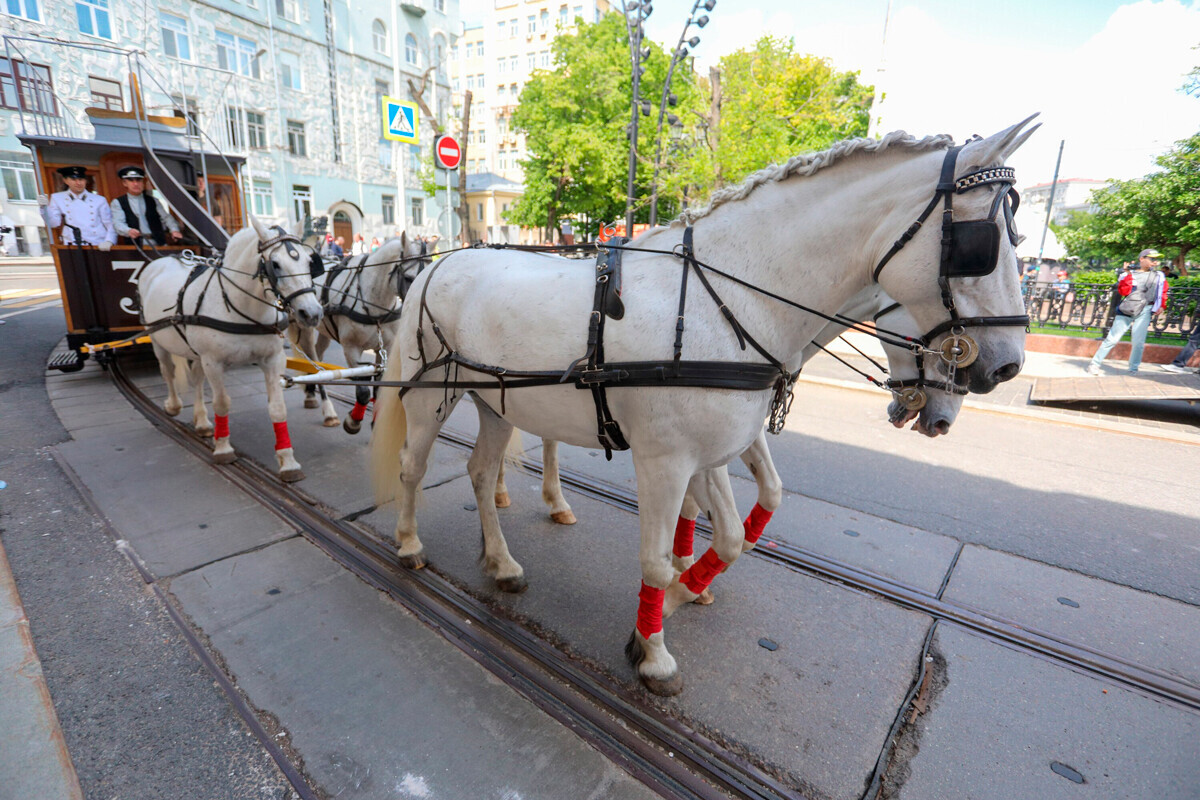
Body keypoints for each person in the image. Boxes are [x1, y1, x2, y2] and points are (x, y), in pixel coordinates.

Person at [1087, 249, 1169, 375]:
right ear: (1142, 259)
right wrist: (1127, 274)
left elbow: (1162, 291)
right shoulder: (1129, 274)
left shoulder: (1159, 276)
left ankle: (1133, 369)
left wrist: (1162, 305)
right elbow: (1123, 292)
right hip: (1128, 308)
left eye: (1156, 259)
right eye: (1152, 259)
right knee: (1112, 339)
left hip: (1146, 309)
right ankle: (1095, 364)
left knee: (1138, 342)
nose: (1155, 262)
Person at [38, 165, 116, 249]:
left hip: (97, 243)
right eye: (74, 179)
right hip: (72, 244)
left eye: (81, 179)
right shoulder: (57, 198)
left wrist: (109, 241)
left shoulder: (99, 200)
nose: (78, 183)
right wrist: (44, 208)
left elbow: (110, 223)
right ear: (65, 180)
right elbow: (54, 223)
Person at [110, 166, 183, 246]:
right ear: (124, 183)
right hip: (135, 246)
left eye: (138, 180)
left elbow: (166, 217)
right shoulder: (118, 202)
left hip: (158, 243)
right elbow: (118, 223)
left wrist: (174, 230)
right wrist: (128, 231)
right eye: (131, 180)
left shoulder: (154, 200)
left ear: (143, 182)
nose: (136, 184)